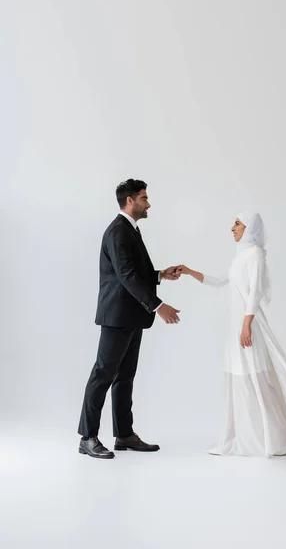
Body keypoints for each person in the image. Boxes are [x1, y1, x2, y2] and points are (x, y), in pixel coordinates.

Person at [178, 212, 286, 458]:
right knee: (239, 377)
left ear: (249, 227)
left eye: (237, 223)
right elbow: (220, 281)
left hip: (248, 324)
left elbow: (255, 291)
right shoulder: (240, 257)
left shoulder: (255, 254)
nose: (232, 228)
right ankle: (241, 437)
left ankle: (271, 439)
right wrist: (190, 271)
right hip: (235, 325)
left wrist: (246, 325)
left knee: (254, 378)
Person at [78, 179, 181, 459]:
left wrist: (161, 275)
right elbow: (126, 275)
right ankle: (87, 438)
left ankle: (124, 435)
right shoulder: (118, 231)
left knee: (124, 378)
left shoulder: (130, 230)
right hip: (117, 316)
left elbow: (133, 271)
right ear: (130, 201)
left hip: (131, 315)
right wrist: (158, 305)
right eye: (144, 198)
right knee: (103, 374)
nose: (149, 203)